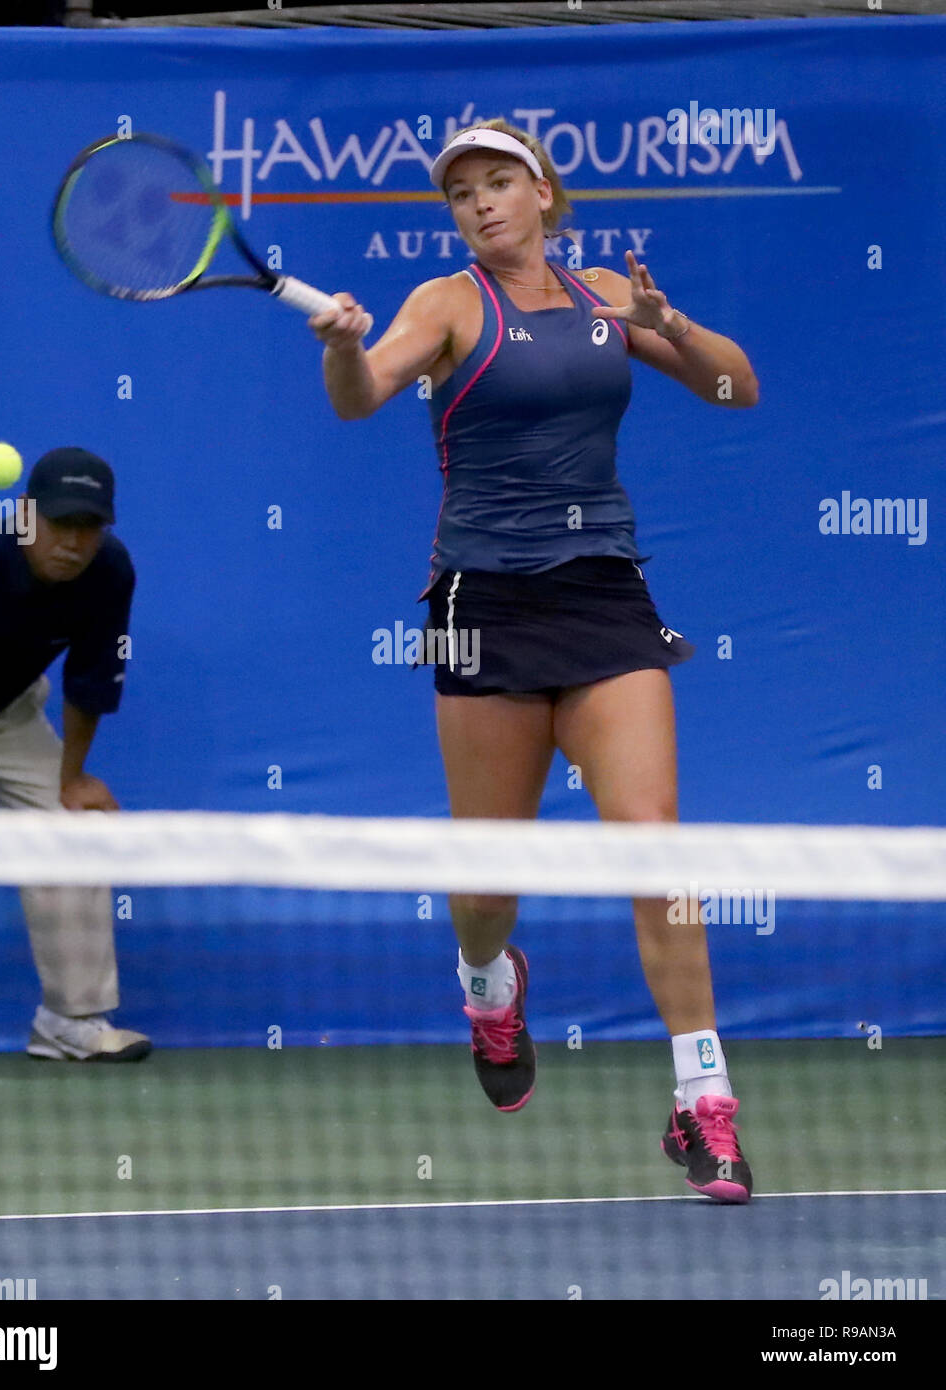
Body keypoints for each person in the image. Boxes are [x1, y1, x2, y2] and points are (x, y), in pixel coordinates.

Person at [311, 119, 759, 1203]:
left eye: (497, 180)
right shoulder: (445, 304)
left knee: (653, 848)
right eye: (460, 190)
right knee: (486, 885)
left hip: (604, 591)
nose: (478, 201)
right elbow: (362, 393)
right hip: (484, 605)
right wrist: (337, 341)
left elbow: (734, 388)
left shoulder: (607, 291)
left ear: (543, 190)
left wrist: (671, 326)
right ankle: (486, 980)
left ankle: (702, 1101)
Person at [0, 447, 150, 1062]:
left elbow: (91, 680)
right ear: (23, 516)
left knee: (72, 830)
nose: (72, 542)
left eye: (89, 528)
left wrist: (71, 780)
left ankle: (71, 1020)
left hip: (6, 718)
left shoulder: (110, 572)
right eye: (59, 524)